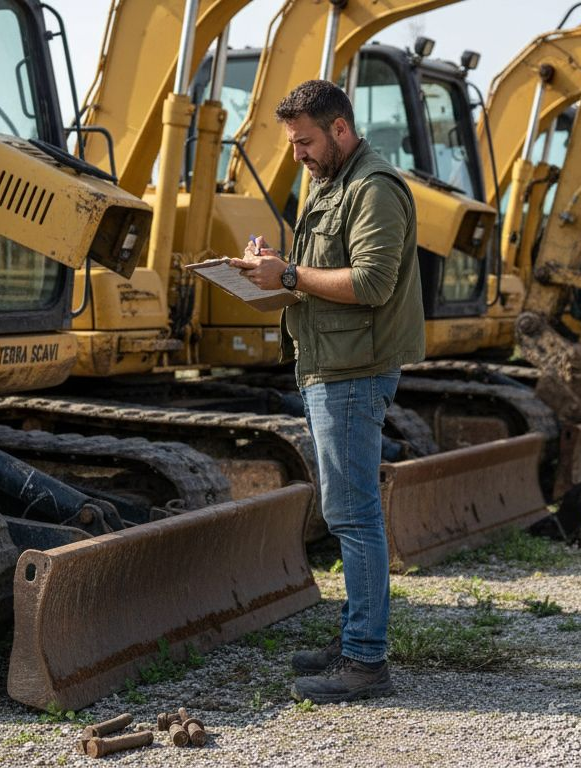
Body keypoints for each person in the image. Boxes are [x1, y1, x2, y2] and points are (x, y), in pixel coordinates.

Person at [228, 79, 425, 704]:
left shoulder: (374, 188)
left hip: (351, 371)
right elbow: (322, 274)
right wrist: (274, 266)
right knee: (347, 513)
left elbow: (369, 283)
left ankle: (366, 661)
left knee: (354, 515)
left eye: (305, 141)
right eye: (293, 143)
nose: (298, 155)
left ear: (340, 129)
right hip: (328, 364)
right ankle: (353, 642)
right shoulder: (329, 181)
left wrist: (285, 272)